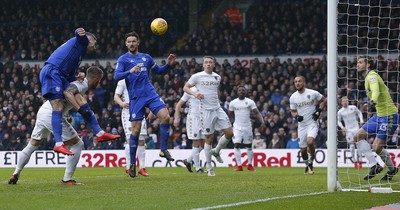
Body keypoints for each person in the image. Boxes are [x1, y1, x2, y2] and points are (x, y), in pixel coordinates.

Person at [9, 67, 107, 185]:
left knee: (33, 144)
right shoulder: (82, 85)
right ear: (96, 78)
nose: (99, 83)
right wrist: (81, 110)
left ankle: (16, 173)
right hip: (52, 113)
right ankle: (67, 179)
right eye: (99, 80)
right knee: (78, 144)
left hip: (43, 111)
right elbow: (69, 94)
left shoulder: (79, 83)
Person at [39, 28, 116, 155]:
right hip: (52, 71)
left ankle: (100, 132)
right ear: (89, 40)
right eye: (94, 43)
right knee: (57, 104)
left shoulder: (78, 55)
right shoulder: (81, 41)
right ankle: (58, 143)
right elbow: (79, 35)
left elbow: (69, 77)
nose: (95, 47)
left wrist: (76, 77)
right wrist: (79, 31)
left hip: (61, 75)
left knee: (78, 95)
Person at [114, 31, 176, 178]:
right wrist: (130, 71)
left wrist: (168, 65)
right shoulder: (123, 59)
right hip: (136, 98)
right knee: (135, 132)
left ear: (138, 42)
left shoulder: (146, 57)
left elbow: (159, 71)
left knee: (166, 117)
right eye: (128, 41)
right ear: (126, 44)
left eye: (133, 41)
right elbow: (116, 76)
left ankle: (163, 149)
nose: (131, 44)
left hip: (150, 94)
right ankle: (132, 164)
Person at [183, 56, 234, 176]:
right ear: (203, 65)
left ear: (214, 64)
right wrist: (195, 93)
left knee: (230, 133)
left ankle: (216, 151)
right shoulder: (197, 76)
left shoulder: (217, 77)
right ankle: (210, 168)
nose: (208, 64)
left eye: (211, 62)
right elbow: (185, 87)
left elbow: (215, 91)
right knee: (209, 139)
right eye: (206, 62)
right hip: (205, 111)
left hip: (217, 109)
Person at [353, 55, 398, 181]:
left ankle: (392, 169)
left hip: (389, 115)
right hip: (379, 115)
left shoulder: (372, 76)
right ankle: (375, 165)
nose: (357, 64)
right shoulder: (368, 77)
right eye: (357, 62)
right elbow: (384, 89)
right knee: (357, 137)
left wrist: (372, 100)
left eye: (360, 62)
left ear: (368, 65)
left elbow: (376, 91)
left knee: (376, 147)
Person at [289, 75, 326, 175]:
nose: (297, 83)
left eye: (299, 81)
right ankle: (307, 164)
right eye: (295, 81)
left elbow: (324, 100)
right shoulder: (293, 97)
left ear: (304, 82)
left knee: (310, 142)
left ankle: (311, 160)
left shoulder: (312, 93)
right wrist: (296, 117)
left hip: (312, 123)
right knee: (303, 150)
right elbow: (292, 111)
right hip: (302, 126)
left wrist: (319, 110)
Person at [114, 79, 149, 177]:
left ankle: (142, 167)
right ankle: (128, 167)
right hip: (127, 113)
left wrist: (150, 109)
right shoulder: (122, 81)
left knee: (141, 140)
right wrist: (121, 103)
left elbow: (148, 95)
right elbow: (116, 96)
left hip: (140, 111)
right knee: (130, 140)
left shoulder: (141, 80)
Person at [228, 85, 265, 171]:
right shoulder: (233, 103)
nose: (241, 91)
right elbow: (229, 116)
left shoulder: (250, 102)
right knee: (236, 144)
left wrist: (262, 122)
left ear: (246, 92)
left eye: (243, 90)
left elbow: (257, 113)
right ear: (237, 92)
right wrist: (228, 126)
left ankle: (249, 165)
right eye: (239, 90)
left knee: (249, 146)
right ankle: (239, 166)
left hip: (247, 127)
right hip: (237, 127)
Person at [174, 86, 206, 173]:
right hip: (193, 119)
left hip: (204, 118)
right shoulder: (190, 90)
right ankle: (198, 168)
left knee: (204, 145)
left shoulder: (206, 88)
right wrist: (176, 118)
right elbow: (178, 105)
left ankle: (187, 161)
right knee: (196, 143)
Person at [337, 96, 365, 162]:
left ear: (348, 101)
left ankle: (360, 158)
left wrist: (361, 121)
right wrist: (342, 127)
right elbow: (338, 121)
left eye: (346, 101)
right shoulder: (340, 112)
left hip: (356, 128)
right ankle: (353, 158)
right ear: (341, 102)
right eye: (343, 101)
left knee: (358, 143)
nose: (345, 102)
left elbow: (359, 113)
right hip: (348, 130)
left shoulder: (353, 107)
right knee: (352, 145)